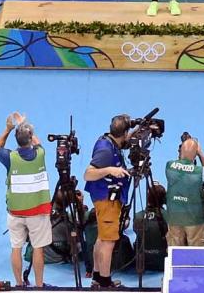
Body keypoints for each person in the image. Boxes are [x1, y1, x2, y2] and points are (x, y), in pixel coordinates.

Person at [83, 114, 145, 288]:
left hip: (105, 197)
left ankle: (97, 276)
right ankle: (105, 282)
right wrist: (110, 169)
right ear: (123, 133)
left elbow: (124, 142)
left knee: (101, 239)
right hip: (106, 200)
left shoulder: (110, 140)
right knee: (109, 242)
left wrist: (138, 129)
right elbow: (88, 174)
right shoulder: (105, 150)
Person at [0, 112, 52, 289]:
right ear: (30, 138)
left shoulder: (9, 158)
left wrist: (9, 129)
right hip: (37, 213)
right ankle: (39, 285)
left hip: (15, 212)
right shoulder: (41, 153)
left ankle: (19, 284)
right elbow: (37, 141)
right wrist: (24, 124)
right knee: (38, 248)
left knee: (16, 248)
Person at [164, 137, 204, 246]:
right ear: (195, 154)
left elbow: (180, 167)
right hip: (194, 218)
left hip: (174, 217)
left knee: (174, 251)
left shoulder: (169, 166)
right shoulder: (200, 172)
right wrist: (200, 153)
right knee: (198, 250)